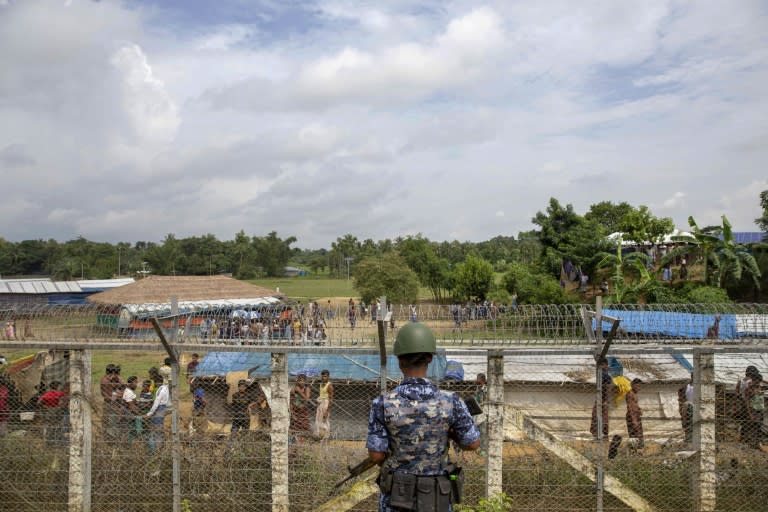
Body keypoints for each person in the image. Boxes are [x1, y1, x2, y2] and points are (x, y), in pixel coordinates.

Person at [367, 323, 480, 512]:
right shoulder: (451, 401)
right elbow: (472, 443)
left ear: (400, 361)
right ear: (429, 359)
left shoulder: (382, 403)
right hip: (437, 499)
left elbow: (376, 455)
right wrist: (450, 435)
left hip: (397, 498)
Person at [734, 366, 764, 449]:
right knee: (751, 423)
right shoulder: (751, 382)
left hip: (742, 404)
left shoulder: (740, 381)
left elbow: (736, 394)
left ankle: (744, 439)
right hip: (750, 404)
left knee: (745, 423)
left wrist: (736, 405)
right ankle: (750, 441)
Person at [590, 357, 615, 438]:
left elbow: (608, 388)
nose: (599, 367)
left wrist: (606, 400)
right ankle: (599, 433)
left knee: (601, 416)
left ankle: (601, 433)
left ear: (605, 365)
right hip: (601, 398)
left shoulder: (605, 375)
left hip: (602, 399)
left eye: (601, 365)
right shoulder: (602, 374)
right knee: (598, 415)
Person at [145, 375, 169, 452]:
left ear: (156, 382)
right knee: (160, 427)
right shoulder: (165, 388)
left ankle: (157, 448)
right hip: (163, 407)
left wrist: (149, 413)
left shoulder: (160, 390)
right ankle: (161, 446)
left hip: (159, 408)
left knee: (157, 427)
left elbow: (156, 403)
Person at [290, 374, 312, 440]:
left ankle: (304, 439)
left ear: (305, 381)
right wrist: (291, 410)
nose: (301, 382)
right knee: (294, 424)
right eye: (299, 380)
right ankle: (295, 438)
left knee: (304, 424)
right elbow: (291, 399)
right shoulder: (294, 388)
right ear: (297, 381)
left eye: (303, 381)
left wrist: (299, 391)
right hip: (295, 408)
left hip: (303, 409)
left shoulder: (307, 388)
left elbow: (307, 399)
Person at [314, 370, 333, 440]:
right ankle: (320, 436)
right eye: (322, 376)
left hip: (326, 404)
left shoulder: (329, 386)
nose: (323, 378)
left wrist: (327, 411)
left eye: (325, 376)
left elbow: (331, 399)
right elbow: (321, 395)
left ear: (328, 377)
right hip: (320, 404)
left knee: (325, 420)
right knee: (318, 420)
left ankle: (326, 437)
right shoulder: (321, 384)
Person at [625, 378, 644, 449]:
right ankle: (634, 450)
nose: (639, 388)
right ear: (632, 385)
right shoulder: (630, 394)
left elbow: (634, 405)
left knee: (639, 434)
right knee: (634, 435)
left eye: (640, 386)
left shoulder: (634, 394)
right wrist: (634, 420)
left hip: (636, 416)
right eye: (638, 386)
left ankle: (638, 449)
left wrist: (639, 409)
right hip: (632, 416)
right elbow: (630, 408)